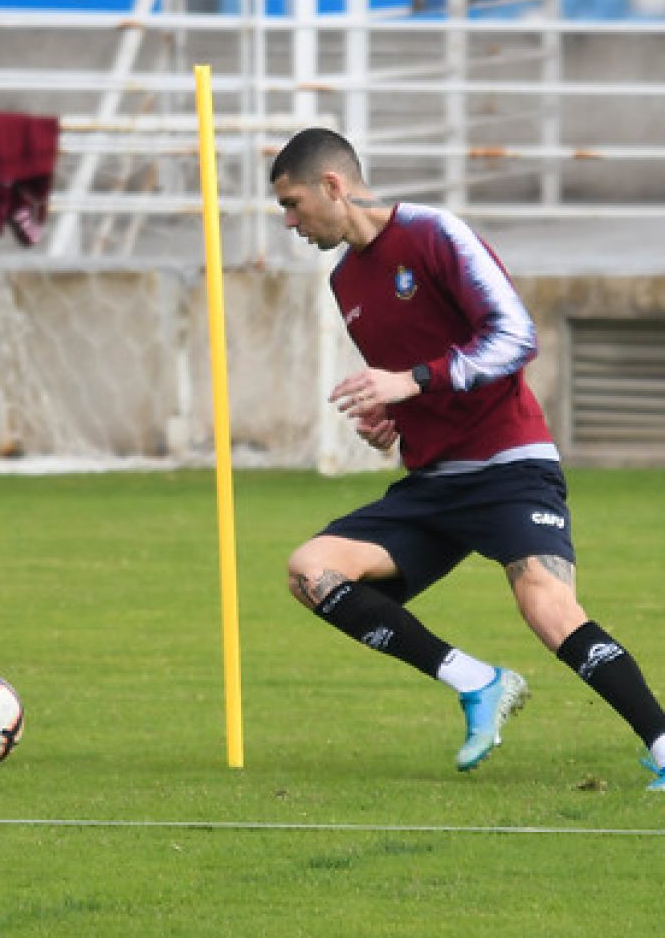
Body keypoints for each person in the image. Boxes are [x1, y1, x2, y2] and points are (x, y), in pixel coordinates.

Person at [270, 126, 665, 791]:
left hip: (509, 464)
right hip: (431, 486)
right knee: (312, 572)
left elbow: (514, 336)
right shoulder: (346, 281)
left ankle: (661, 741)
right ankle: (478, 681)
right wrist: (389, 415)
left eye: (292, 203)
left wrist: (412, 382)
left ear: (332, 186)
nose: (288, 221)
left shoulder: (434, 234)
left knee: (545, 602)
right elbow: (417, 371)